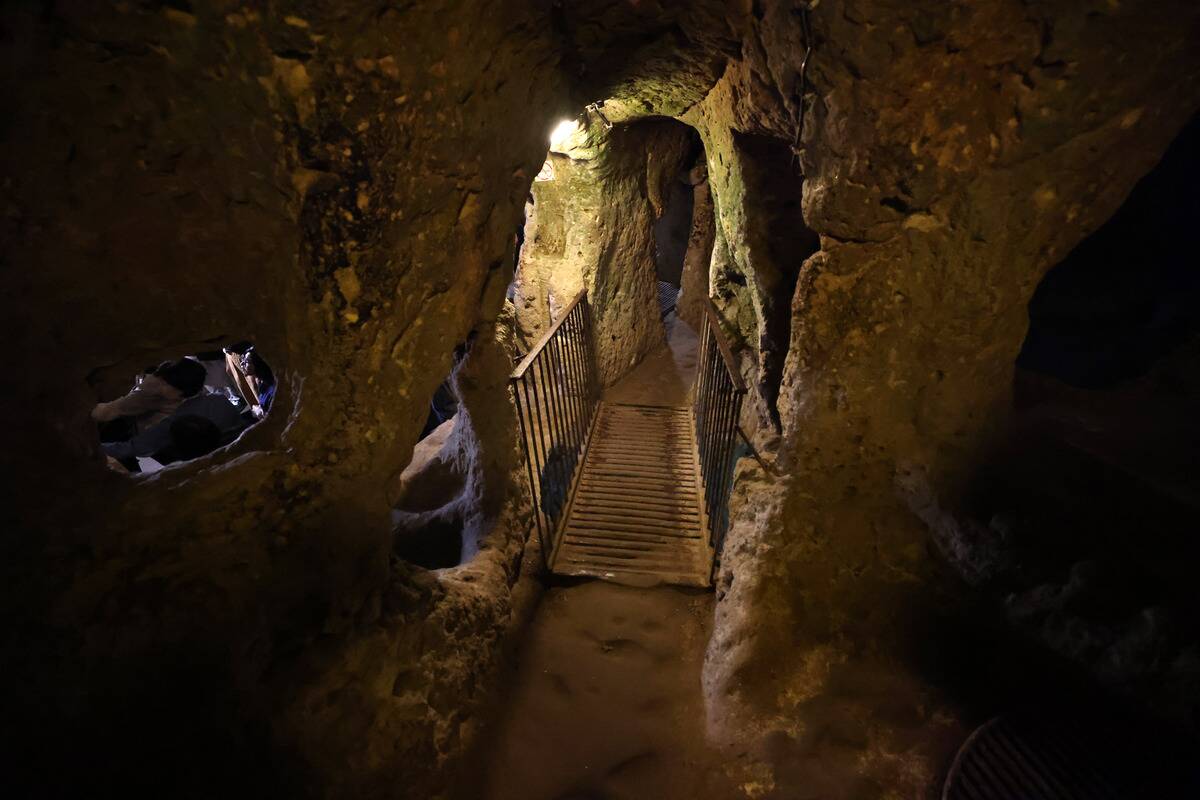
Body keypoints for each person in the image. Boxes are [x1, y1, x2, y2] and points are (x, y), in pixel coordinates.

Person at [102, 391, 246, 466]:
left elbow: (131, 447)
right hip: (234, 444)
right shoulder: (218, 399)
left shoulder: (167, 425)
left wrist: (95, 447)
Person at [92, 358, 207, 436]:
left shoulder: (190, 386)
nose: (163, 386)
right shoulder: (150, 394)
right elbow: (110, 410)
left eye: (168, 385)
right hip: (153, 435)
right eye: (163, 381)